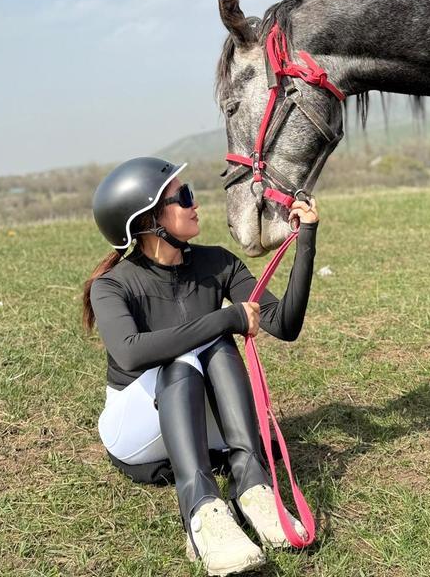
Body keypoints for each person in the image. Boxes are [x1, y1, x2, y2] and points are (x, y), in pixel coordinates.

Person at [82, 157, 319, 576]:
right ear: (148, 218)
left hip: (197, 422)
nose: (196, 204)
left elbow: (283, 323)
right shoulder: (113, 284)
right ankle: (201, 512)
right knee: (187, 354)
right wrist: (224, 317)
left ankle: (253, 484)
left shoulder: (216, 263)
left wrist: (306, 241)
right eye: (183, 197)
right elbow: (132, 354)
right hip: (137, 429)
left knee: (217, 346)